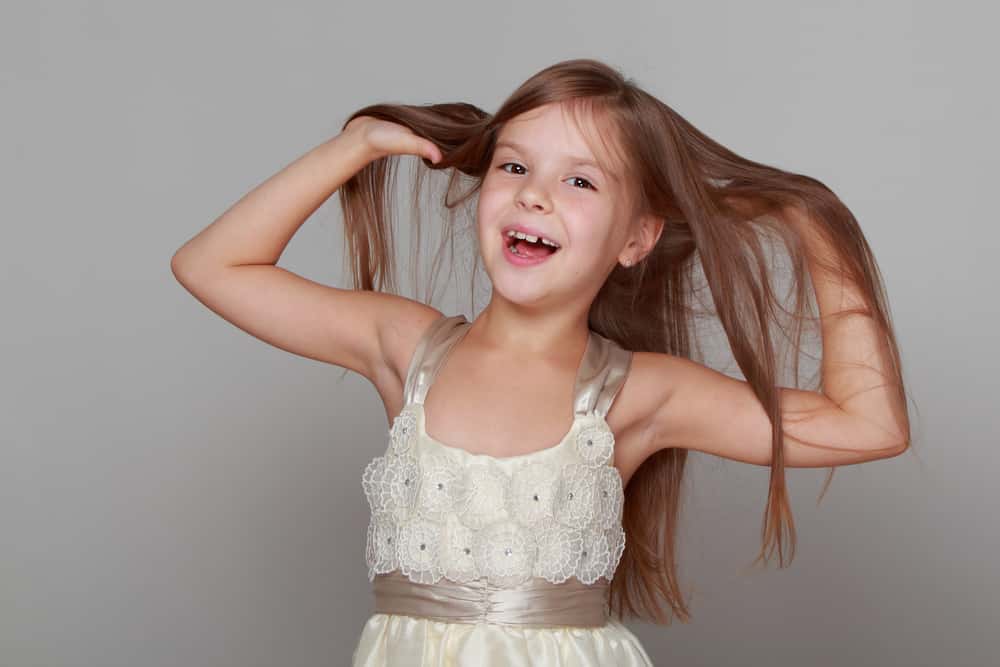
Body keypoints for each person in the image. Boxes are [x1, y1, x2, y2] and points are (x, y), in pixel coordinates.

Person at [171, 58, 911, 666]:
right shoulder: (406, 348)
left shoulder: (638, 393)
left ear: (637, 238)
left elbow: (868, 423)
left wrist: (813, 226)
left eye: (579, 180)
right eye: (515, 165)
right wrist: (358, 144)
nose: (534, 195)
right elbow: (211, 265)